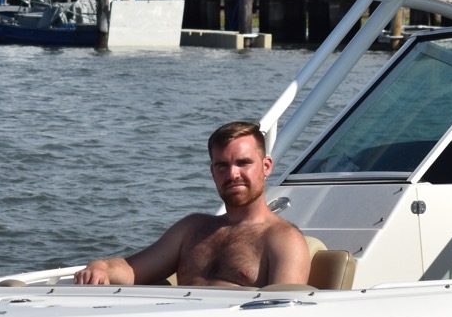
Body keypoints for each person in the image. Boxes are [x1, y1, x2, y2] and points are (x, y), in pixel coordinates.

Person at [72, 121, 311, 287]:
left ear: (266, 166)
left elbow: (284, 314)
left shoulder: (283, 239)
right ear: (212, 172)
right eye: (222, 166)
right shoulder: (192, 229)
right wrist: (101, 267)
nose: (232, 174)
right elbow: (133, 270)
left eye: (243, 163)